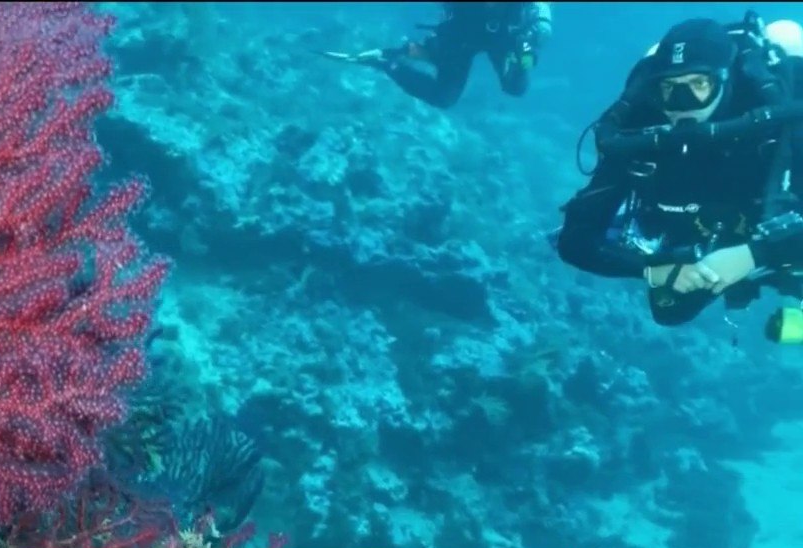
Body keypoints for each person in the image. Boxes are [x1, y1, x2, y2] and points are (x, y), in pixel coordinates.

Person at [554, 15, 803, 339]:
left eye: (699, 85)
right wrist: (656, 270)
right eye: (670, 89)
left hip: (781, 228)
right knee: (669, 309)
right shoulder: (640, 128)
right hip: (711, 230)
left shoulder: (780, 126)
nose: (683, 106)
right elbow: (574, 239)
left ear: (726, 81)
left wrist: (752, 256)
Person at [322, 3, 553, 108]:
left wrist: (541, 25)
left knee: (517, 86)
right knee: (444, 97)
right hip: (464, 33)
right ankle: (387, 62)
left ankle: (399, 54)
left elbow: (541, 12)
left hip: (507, 36)